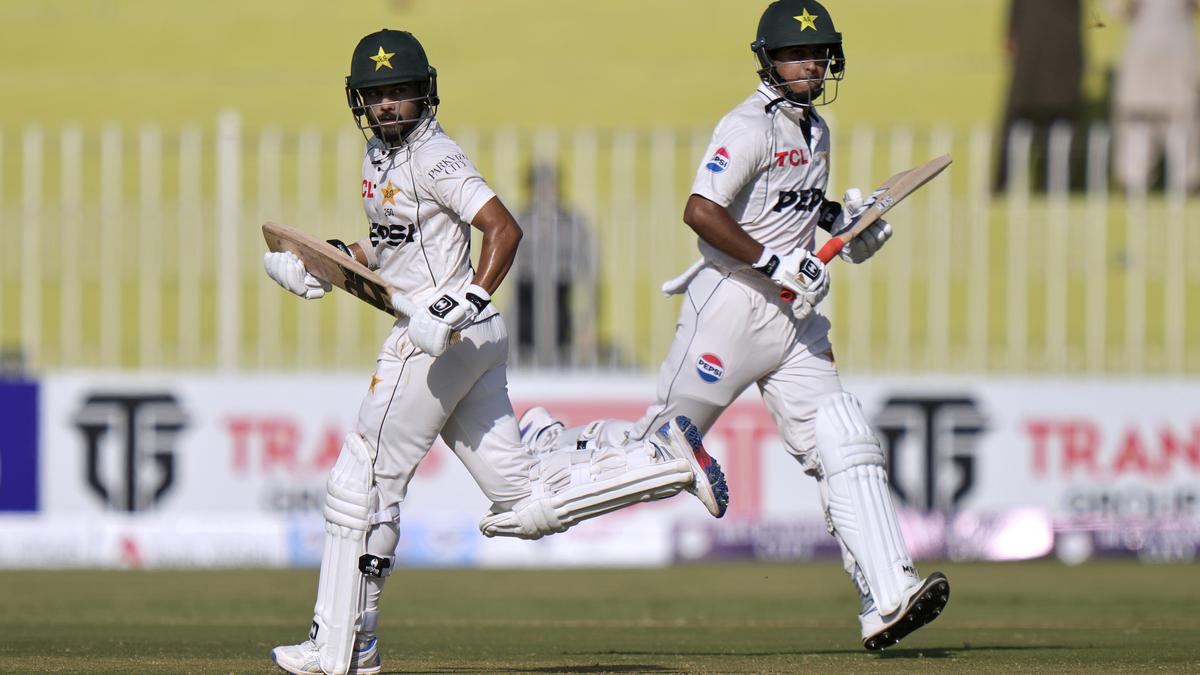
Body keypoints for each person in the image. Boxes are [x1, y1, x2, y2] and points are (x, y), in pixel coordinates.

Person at [262, 29, 729, 675]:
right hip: (463, 338)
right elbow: (389, 256)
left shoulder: (435, 157)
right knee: (522, 498)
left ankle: (342, 645)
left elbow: (504, 228)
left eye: (400, 93)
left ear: (424, 95)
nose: (388, 106)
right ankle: (661, 457)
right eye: (377, 95)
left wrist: (463, 300)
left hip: (442, 337)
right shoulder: (377, 158)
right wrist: (323, 265)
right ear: (359, 102)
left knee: (362, 478)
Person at [520, 0, 949, 652]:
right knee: (661, 456)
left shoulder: (818, 131)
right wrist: (776, 261)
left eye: (816, 53)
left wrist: (844, 225)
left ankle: (887, 594)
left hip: (792, 320)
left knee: (844, 435)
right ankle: (549, 444)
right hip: (728, 308)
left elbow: (792, 209)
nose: (808, 63)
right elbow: (700, 210)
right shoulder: (748, 125)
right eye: (794, 54)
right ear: (768, 60)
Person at [995, 0, 1084, 190]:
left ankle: (1060, 183)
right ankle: (1059, 184)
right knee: (1059, 124)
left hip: (1045, 56)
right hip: (1045, 56)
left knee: (1058, 125)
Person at [1112, 0, 1200, 192]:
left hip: (1178, 49)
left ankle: (1186, 182)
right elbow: (1115, 7)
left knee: (1181, 117)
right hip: (1142, 48)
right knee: (1137, 117)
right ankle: (1133, 180)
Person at [513, 163, 593, 366]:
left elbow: (587, 273)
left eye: (548, 184)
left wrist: (586, 324)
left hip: (560, 300)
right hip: (526, 300)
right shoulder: (521, 221)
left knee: (560, 360)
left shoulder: (571, 224)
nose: (544, 190)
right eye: (539, 184)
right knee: (524, 361)